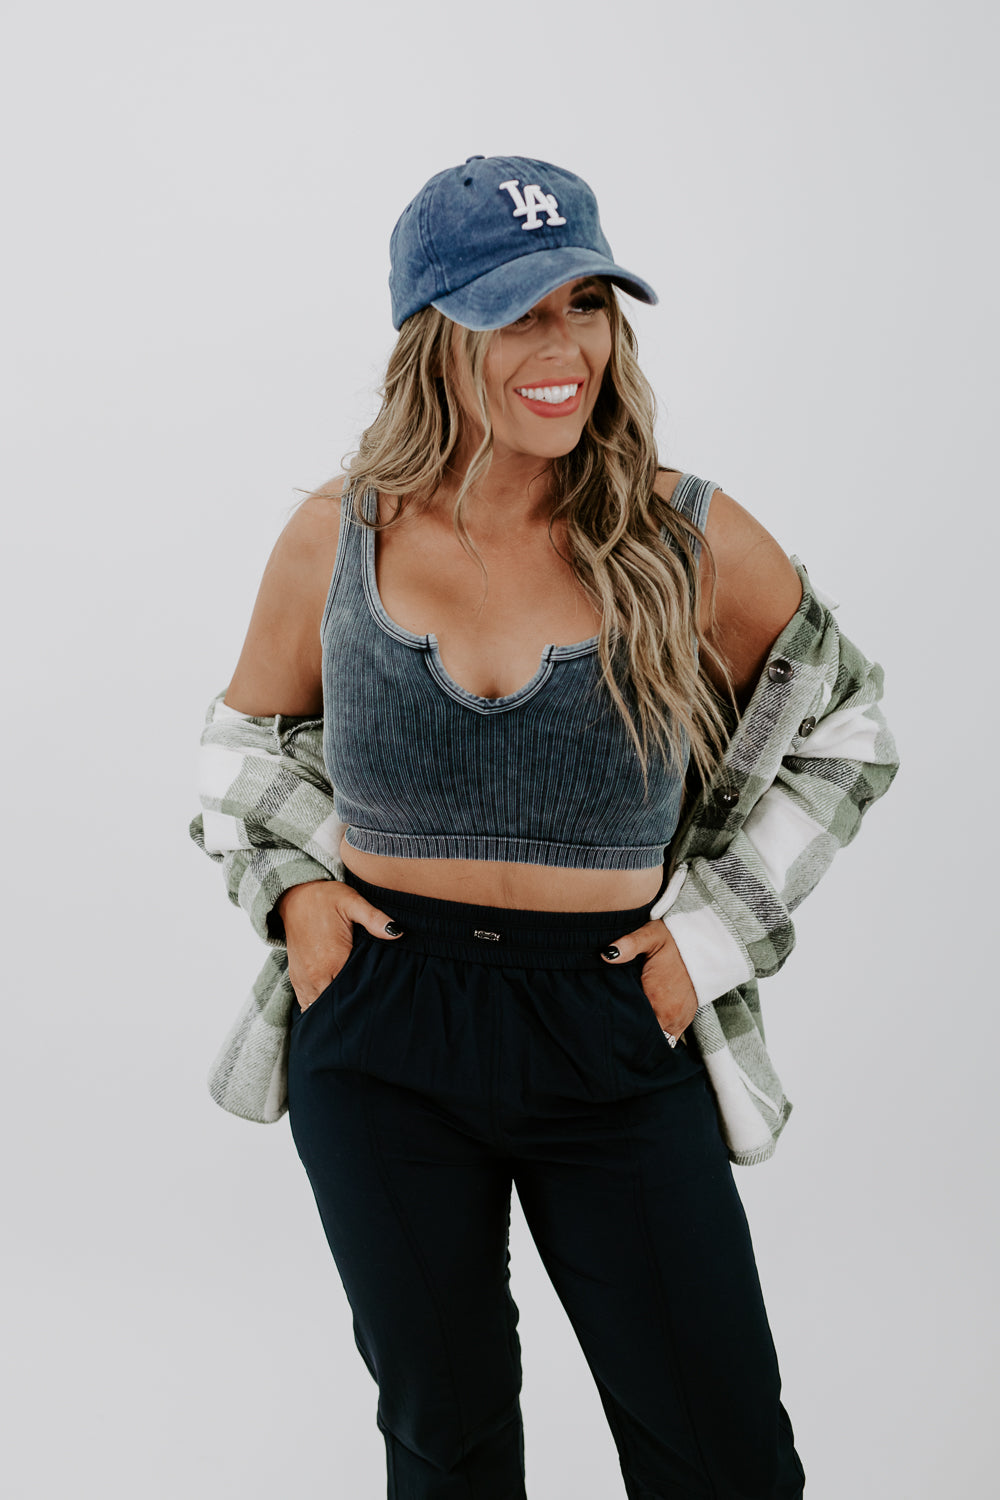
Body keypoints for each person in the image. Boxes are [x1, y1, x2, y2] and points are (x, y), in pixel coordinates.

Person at [191, 155, 898, 1499]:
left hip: (611, 1021)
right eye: (517, 313)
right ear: (431, 335)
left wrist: (712, 938)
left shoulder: (684, 536)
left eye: (586, 304)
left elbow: (848, 729)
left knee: (724, 1454)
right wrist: (293, 892)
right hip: (383, 1028)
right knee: (447, 1445)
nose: (563, 347)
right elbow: (240, 743)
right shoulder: (337, 536)